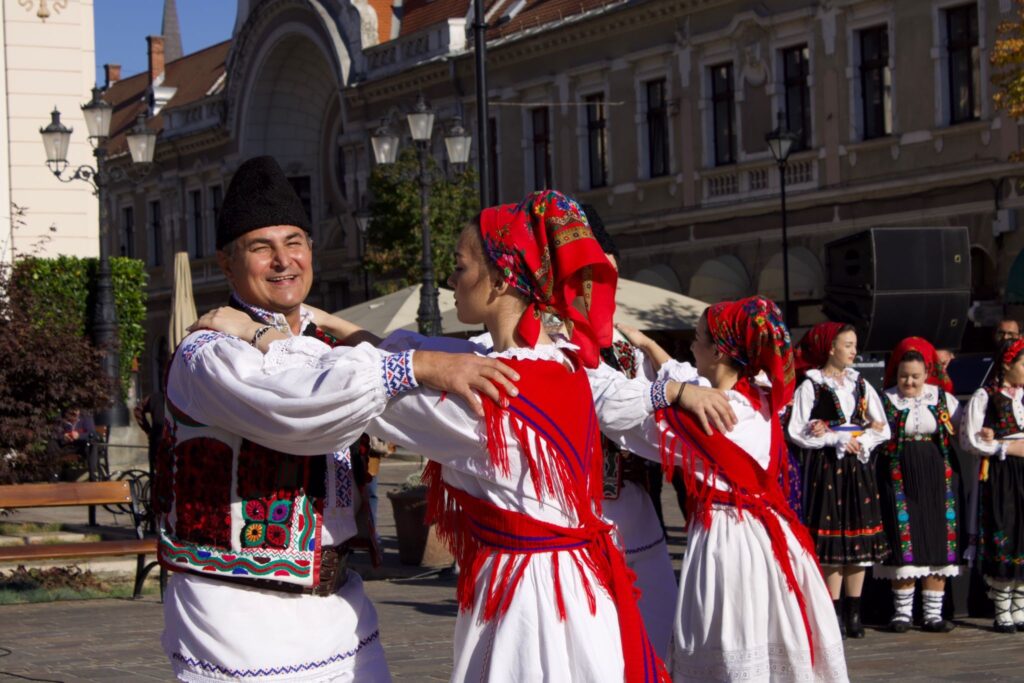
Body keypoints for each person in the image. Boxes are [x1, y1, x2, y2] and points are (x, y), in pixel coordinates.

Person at [203, 191, 734, 681]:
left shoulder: (489, 395)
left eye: (460, 268)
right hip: (575, 581)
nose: (450, 282)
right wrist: (322, 320)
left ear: (501, 281)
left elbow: (364, 389)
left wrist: (262, 334)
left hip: (530, 599)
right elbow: (413, 354)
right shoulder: (562, 363)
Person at [157, 155, 517, 683]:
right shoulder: (207, 352)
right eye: (262, 248)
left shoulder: (326, 344)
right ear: (228, 263)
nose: (284, 261)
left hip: (340, 606)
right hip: (236, 612)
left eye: (294, 243)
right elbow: (297, 405)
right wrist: (416, 365)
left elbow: (358, 369)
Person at [594, 296, 848, 682]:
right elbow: (690, 381)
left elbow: (624, 422)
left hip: (729, 543)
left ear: (717, 351)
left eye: (697, 338)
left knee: (731, 637)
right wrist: (648, 347)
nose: (691, 346)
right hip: (774, 536)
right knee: (775, 634)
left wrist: (591, 370)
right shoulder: (762, 394)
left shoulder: (708, 417)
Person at [787, 322, 890, 638]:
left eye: (854, 344)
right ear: (831, 347)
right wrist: (833, 439)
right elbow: (796, 430)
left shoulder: (860, 384)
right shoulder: (812, 386)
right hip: (828, 470)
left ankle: (854, 612)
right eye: (848, 344)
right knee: (832, 540)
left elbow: (882, 427)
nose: (854, 351)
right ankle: (831, 612)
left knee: (859, 538)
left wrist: (862, 438)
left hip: (857, 469)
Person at [876, 337, 962, 633]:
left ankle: (933, 614)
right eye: (903, 376)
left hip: (937, 474)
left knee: (937, 535)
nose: (909, 382)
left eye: (914, 376)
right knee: (904, 537)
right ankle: (902, 613)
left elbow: (963, 431)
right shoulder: (885, 399)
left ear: (926, 374)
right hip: (898, 475)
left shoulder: (942, 399)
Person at [961, 338, 1024, 633]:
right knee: (1004, 530)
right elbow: (970, 439)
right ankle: (1001, 608)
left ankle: (1020, 606)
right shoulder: (985, 396)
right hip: (1000, 474)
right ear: (1007, 364)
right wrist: (1005, 447)